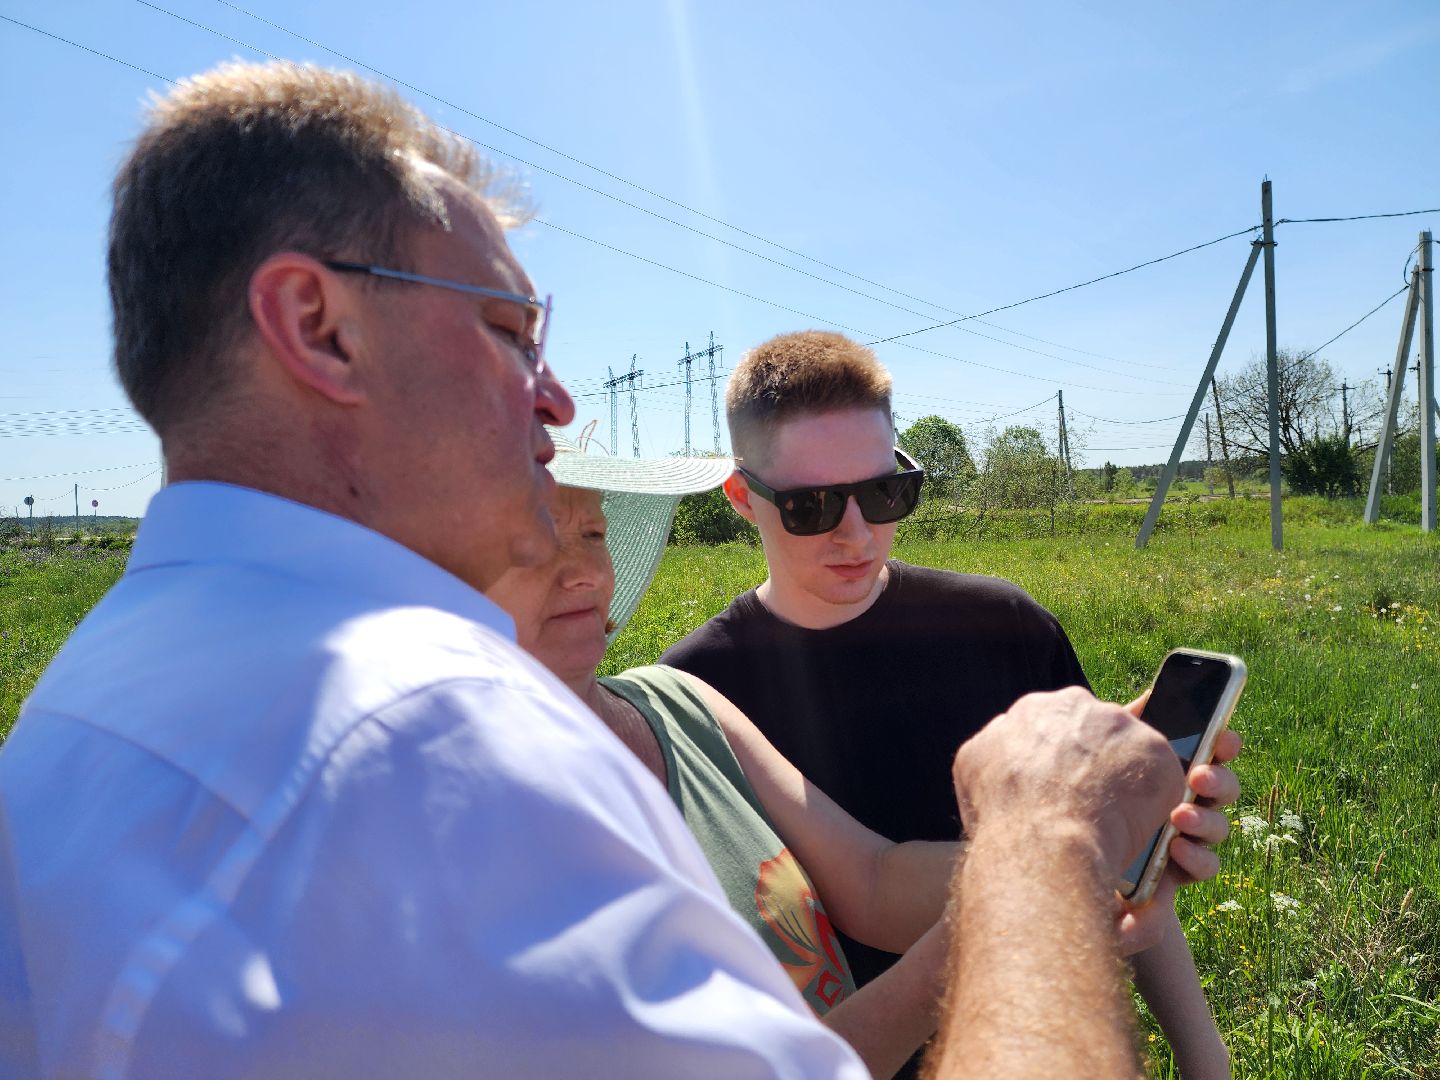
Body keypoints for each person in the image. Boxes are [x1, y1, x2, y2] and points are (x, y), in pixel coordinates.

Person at [0, 59, 1189, 1080]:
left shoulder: (93, 702)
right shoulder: (426, 737)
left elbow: (874, 883)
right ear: (319, 327)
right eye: (510, 333)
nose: (559, 401)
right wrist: (1048, 849)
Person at [489, 440, 1239, 1079]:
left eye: (594, 534)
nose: (584, 572)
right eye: (539, 539)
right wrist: (1041, 869)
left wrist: (1076, 839)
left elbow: (874, 882)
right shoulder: (485, 815)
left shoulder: (675, 701)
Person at [661, 330, 1237, 1078]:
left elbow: (1126, 861)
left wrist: (1204, 1056)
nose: (857, 534)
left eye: (884, 492)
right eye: (810, 506)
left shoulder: (1003, 627)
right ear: (743, 498)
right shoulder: (697, 693)